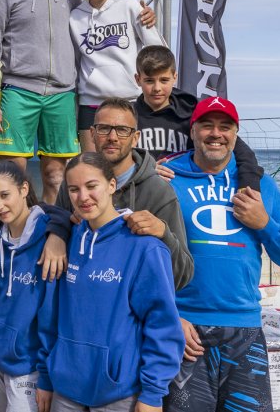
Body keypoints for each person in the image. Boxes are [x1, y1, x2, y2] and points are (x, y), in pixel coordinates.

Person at [0, 0, 155, 204]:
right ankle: (16, 236)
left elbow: (102, 12)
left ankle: (48, 233)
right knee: (12, 175)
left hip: (62, 95)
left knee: (55, 177)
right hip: (19, 91)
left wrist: (141, 14)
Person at [162, 97, 280, 412]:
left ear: (236, 133)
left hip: (244, 331)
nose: (216, 134)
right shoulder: (166, 177)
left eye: (225, 127)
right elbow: (140, 257)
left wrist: (263, 223)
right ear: (193, 129)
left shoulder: (258, 183)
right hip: (184, 330)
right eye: (207, 125)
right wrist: (167, 315)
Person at [38, 152, 184, 412]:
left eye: (91, 186)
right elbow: (51, 316)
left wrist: (152, 393)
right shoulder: (66, 242)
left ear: (112, 185)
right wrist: (46, 376)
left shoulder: (145, 247)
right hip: (65, 389)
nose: (83, 197)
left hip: (118, 394)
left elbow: (161, 324)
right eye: (74, 189)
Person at [47, 98, 193, 290]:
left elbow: (182, 275)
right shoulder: (74, 183)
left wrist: (163, 233)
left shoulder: (158, 191)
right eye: (104, 128)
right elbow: (59, 221)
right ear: (92, 133)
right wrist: (57, 234)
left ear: (135, 137)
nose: (112, 137)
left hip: (129, 311)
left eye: (123, 130)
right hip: (80, 307)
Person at [0, 160, 70, 412]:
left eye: (4, 195)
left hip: (30, 367)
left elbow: (52, 315)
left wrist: (46, 376)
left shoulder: (48, 239)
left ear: (23, 189)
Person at [70, 0, 167, 152]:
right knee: (94, 168)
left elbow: (157, 53)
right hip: (91, 103)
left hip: (129, 101)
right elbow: (76, 63)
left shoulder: (130, 7)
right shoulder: (75, 17)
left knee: (129, 166)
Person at [133, 46, 263, 191]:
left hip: (185, 193)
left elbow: (242, 152)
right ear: (138, 79)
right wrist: (142, 171)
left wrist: (248, 183)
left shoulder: (192, 114)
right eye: (149, 81)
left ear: (175, 77)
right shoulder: (127, 117)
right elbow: (111, 160)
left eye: (164, 80)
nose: (157, 88)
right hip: (141, 192)